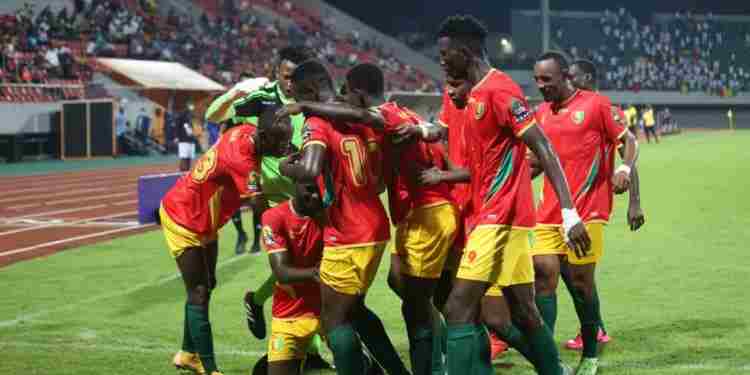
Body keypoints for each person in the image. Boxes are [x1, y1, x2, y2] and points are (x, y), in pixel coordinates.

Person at [426, 15, 590, 375]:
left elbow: (543, 147)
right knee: (523, 312)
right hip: (496, 215)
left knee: (458, 308)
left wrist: (569, 213)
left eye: (445, 53)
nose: (440, 60)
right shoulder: (470, 95)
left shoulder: (499, 90)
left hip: (499, 216)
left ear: (465, 51)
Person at [278, 62, 457, 375]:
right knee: (361, 306)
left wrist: (286, 166)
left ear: (307, 91)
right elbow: (379, 182)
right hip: (379, 222)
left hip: (352, 229)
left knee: (335, 318)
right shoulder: (369, 119)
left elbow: (309, 170)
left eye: (293, 94)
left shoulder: (319, 119)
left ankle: (435, 360)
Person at [162, 107, 293, 375]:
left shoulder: (244, 132)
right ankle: (210, 369)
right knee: (198, 291)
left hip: (205, 220)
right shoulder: (243, 161)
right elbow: (260, 206)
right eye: (280, 142)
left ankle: (188, 353)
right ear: (265, 137)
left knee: (207, 284)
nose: (284, 146)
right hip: (183, 217)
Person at [531, 53, 640, 375]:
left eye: (546, 80)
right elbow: (536, 162)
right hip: (548, 211)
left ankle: (590, 354)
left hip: (589, 209)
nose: (540, 87)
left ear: (564, 75)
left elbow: (629, 140)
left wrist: (624, 169)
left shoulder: (596, 105)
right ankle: (548, 357)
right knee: (543, 274)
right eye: (537, 80)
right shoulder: (541, 113)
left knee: (581, 284)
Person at [561, 59, 645, 351]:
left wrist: (634, 202)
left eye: (572, 77)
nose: (568, 82)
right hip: (564, 204)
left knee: (577, 272)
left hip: (591, 203)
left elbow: (628, 151)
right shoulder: (568, 108)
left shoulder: (602, 107)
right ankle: (596, 327)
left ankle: (592, 331)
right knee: (564, 269)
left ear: (587, 77)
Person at [259, 180, 329, 375]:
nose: (316, 196)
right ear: (295, 185)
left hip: (330, 309)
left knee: (359, 362)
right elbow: (281, 272)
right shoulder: (273, 217)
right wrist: (315, 273)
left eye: (319, 191)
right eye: (310, 190)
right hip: (289, 313)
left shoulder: (330, 213)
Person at [175, 106, 196, 172]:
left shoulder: (190, 120)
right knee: (184, 157)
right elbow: (177, 127)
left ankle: (187, 171)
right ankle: (182, 171)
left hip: (191, 141)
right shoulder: (181, 117)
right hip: (183, 141)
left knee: (189, 157)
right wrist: (177, 137)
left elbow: (191, 131)